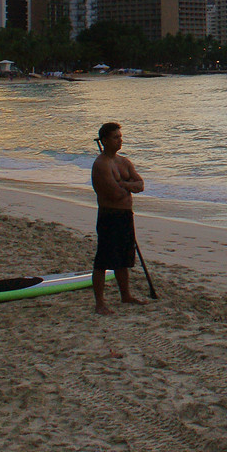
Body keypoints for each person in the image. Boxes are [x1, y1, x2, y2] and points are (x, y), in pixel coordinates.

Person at [91, 121, 146, 314]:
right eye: (115, 137)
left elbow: (140, 184)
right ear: (105, 140)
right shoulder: (101, 164)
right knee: (104, 260)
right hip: (109, 215)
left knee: (124, 258)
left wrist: (123, 184)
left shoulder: (124, 162)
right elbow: (115, 194)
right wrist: (127, 186)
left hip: (125, 215)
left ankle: (126, 295)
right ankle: (100, 302)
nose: (119, 140)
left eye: (120, 137)